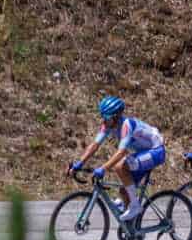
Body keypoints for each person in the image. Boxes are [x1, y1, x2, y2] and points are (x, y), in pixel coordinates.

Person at [69, 96, 167, 224]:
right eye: (103, 116)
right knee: (123, 191)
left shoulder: (126, 125)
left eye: (107, 117)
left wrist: (103, 169)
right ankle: (133, 229)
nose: (104, 120)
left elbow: (121, 152)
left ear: (116, 116)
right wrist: (79, 163)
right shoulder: (108, 125)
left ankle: (135, 206)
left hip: (156, 151)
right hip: (144, 152)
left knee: (120, 166)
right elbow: (95, 144)